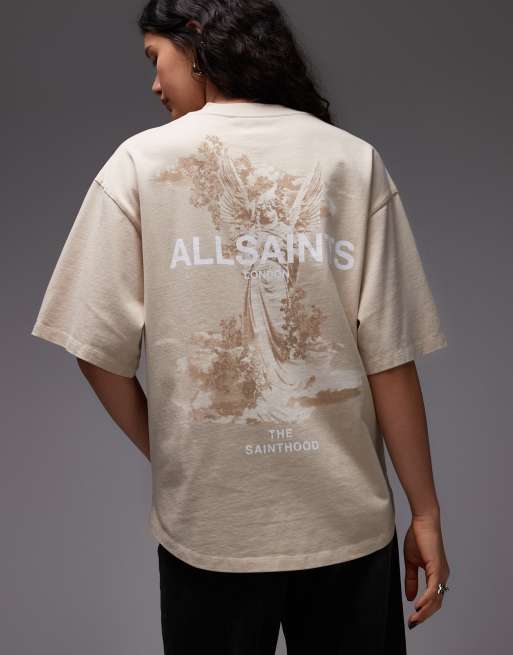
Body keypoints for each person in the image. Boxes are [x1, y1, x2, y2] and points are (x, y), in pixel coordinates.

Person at [30, 0, 451, 652]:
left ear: (197, 40)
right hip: (347, 522)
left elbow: (95, 348)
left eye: (156, 59)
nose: (154, 84)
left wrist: (173, 451)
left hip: (210, 522)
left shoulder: (139, 163)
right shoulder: (351, 161)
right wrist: (424, 512)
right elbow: (388, 357)